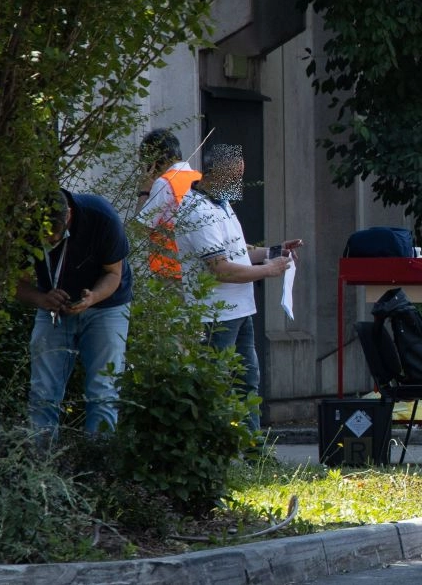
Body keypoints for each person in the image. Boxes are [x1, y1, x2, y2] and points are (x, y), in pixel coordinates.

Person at [173, 143, 302, 433]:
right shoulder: (196, 210)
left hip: (240, 310)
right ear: (215, 173)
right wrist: (268, 270)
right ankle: (225, 449)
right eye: (234, 176)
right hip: (215, 314)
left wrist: (274, 251)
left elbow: (238, 252)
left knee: (247, 381)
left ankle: (253, 451)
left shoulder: (222, 204)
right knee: (218, 384)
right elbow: (220, 268)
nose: (238, 183)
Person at [16, 188, 133, 436]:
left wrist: (93, 298)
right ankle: (40, 466)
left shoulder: (101, 216)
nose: (48, 241)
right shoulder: (26, 224)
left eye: (53, 236)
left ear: (68, 215)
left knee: (103, 390)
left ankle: (97, 465)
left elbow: (114, 274)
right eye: (43, 236)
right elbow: (14, 282)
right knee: (43, 391)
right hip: (53, 307)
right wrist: (41, 298)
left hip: (106, 306)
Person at [135, 128, 202, 280]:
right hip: (198, 271)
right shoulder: (199, 178)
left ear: (153, 162)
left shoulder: (165, 183)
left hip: (170, 273)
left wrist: (144, 191)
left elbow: (139, 230)